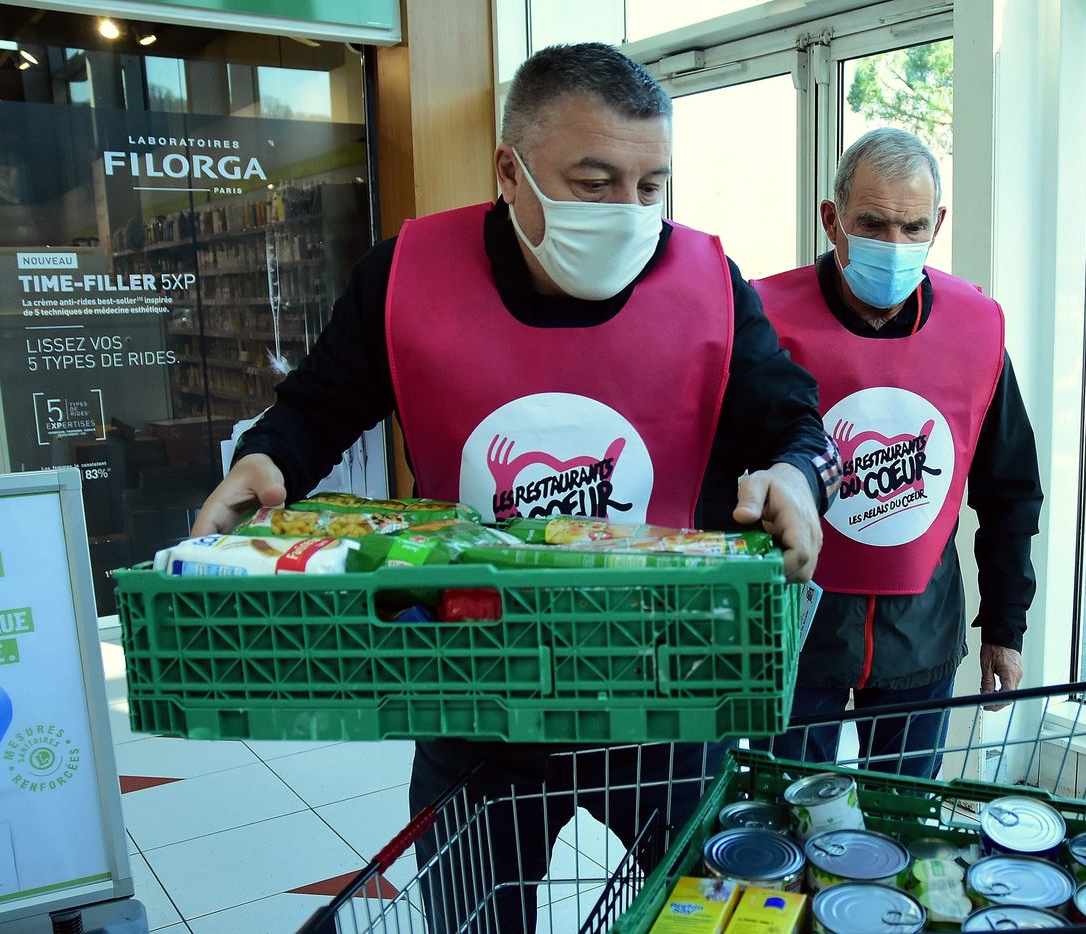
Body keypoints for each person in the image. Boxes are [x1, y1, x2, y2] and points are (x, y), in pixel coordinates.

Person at [190, 42, 837, 933]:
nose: (628, 212)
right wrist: (268, 459)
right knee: (473, 915)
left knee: (701, 912)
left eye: (651, 186)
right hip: (472, 686)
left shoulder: (710, 285)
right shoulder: (407, 277)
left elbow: (794, 421)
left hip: (662, 685)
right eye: (594, 182)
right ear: (510, 170)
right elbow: (317, 407)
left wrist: (798, 478)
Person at [754, 128, 1043, 778]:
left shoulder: (975, 329)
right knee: (788, 814)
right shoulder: (765, 320)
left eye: (913, 227)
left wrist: (1005, 627)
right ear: (832, 220)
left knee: (903, 815)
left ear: (937, 224)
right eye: (872, 224)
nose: (893, 244)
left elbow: (1009, 489)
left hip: (921, 632)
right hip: (792, 633)